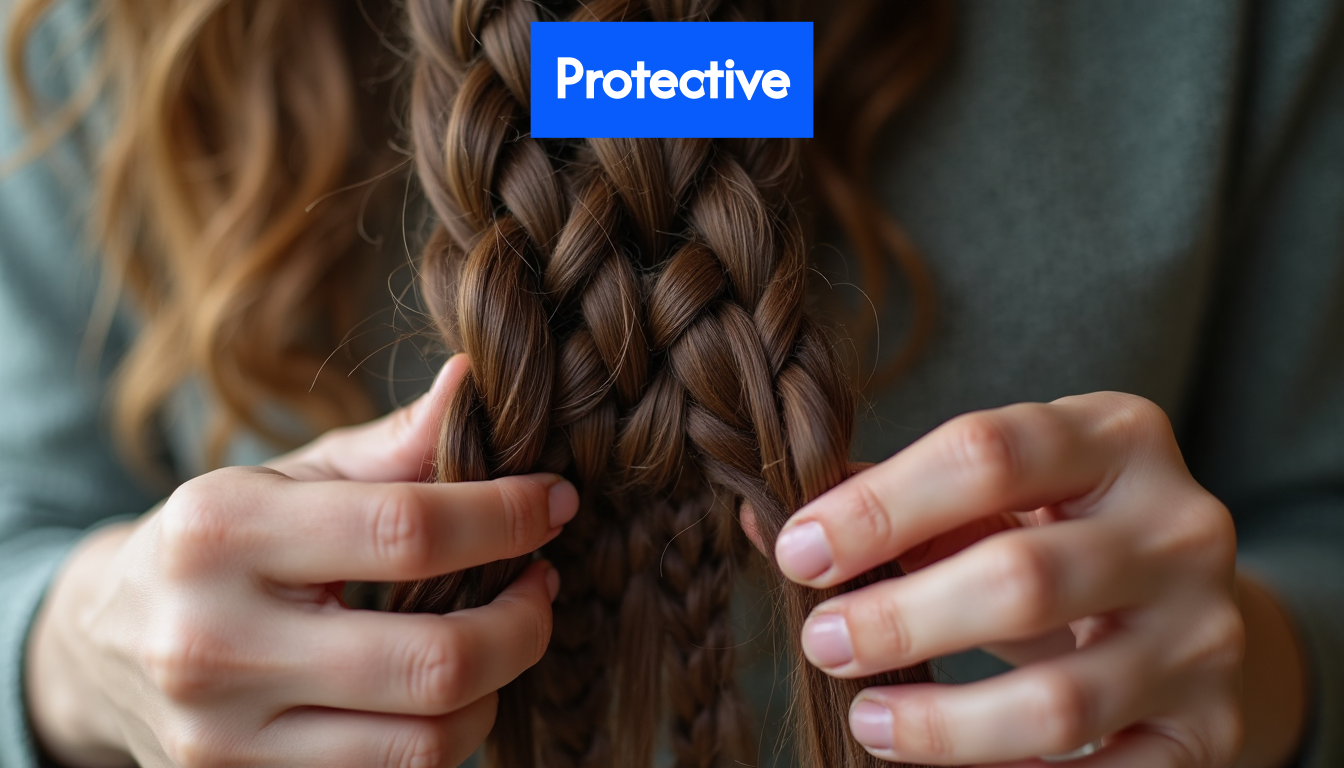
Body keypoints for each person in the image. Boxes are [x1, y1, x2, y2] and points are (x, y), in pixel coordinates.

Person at [2, 2, 1340, 767]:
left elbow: (1317, 516)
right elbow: (25, 523)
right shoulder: (112, 29)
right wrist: (72, 654)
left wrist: (1264, 666)